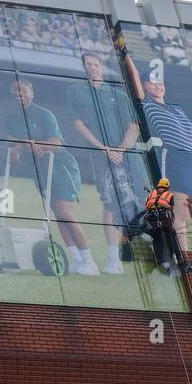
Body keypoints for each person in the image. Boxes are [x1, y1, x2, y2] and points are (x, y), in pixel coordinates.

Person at [119, 40, 192, 254]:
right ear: (145, 86)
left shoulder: (177, 108)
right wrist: (126, 57)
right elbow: (134, 81)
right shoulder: (148, 106)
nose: (157, 85)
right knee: (180, 216)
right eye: (151, 82)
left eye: (159, 82)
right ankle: (186, 259)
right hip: (173, 161)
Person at [5, 78, 99, 275]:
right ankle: (75, 260)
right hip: (40, 170)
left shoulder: (44, 115)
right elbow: (12, 141)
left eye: (23, 92)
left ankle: (89, 262)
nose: (19, 96)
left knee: (66, 213)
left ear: (31, 94)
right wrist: (20, 146)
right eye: (15, 93)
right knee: (57, 215)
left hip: (61, 167)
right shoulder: (12, 116)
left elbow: (55, 144)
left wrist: (27, 144)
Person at [69, 54, 143, 274]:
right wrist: (104, 149)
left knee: (136, 202)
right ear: (84, 68)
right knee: (110, 204)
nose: (92, 67)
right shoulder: (76, 91)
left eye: (95, 64)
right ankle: (114, 259)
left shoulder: (117, 94)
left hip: (126, 157)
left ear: (101, 67)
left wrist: (120, 149)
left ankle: (144, 253)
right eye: (88, 64)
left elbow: (134, 126)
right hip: (101, 157)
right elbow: (78, 123)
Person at [140, 178, 192, 274]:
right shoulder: (169, 194)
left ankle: (159, 259)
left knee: (157, 238)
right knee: (172, 238)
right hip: (163, 219)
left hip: (151, 220)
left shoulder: (151, 194)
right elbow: (171, 208)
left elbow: (147, 206)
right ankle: (181, 261)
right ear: (167, 187)